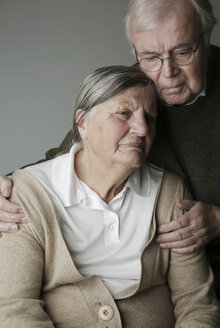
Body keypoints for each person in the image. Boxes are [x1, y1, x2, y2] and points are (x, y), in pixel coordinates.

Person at [0, 0, 220, 296]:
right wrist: (12, 188)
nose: (166, 73)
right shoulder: (134, 89)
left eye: (182, 53)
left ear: (206, 41)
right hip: (164, 283)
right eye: (150, 57)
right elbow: (68, 157)